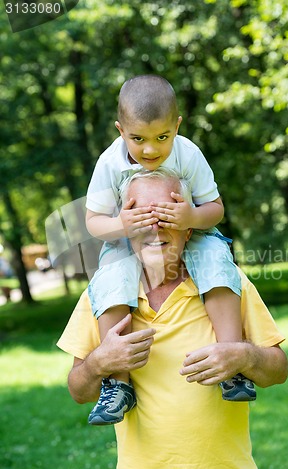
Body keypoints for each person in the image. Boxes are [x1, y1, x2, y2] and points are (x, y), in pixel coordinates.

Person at [57, 170, 288, 469]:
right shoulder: (104, 295)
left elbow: (278, 369)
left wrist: (243, 355)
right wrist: (99, 363)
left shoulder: (225, 282)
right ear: (125, 227)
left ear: (189, 226)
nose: (155, 226)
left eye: (166, 213)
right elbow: (78, 391)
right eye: (142, 215)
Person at [85, 74, 254, 425]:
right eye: (138, 139)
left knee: (218, 266)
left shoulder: (188, 153)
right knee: (112, 282)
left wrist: (191, 214)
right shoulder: (109, 163)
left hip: (190, 230)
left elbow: (216, 208)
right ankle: (117, 385)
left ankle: (232, 360)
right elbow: (93, 222)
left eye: (162, 137)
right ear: (120, 130)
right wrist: (122, 225)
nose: (150, 150)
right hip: (127, 238)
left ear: (177, 126)